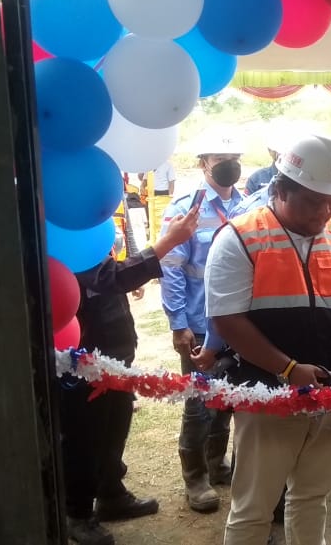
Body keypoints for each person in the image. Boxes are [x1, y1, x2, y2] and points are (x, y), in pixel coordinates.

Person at [196, 134, 331, 545]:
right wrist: (289, 369)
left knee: (313, 496)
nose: (326, 211)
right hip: (266, 395)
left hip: (329, 394)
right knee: (254, 507)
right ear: (280, 190)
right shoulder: (240, 236)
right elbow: (227, 319)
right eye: (314, 200)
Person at [61, 206, 200, 545]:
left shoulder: (84, 221)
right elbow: (111, 277)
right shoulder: (63, 230)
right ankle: (78, 513)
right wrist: (168, 242)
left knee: (115, 424)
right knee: (87, 435)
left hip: (115, 353)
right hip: (86, 357)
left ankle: (111, 492)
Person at [159, 133, 244, 513]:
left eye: (234, 155)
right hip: (198, 321)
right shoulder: (185, 208)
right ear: (203, 163)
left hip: (238, 322)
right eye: (220, 156)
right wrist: (179, 323)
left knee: (227, 397)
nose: (229, 162)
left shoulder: (247, 205)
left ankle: (216, 462)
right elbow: (171, 268)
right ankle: (195, 477)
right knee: (199, 403)